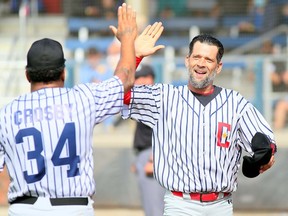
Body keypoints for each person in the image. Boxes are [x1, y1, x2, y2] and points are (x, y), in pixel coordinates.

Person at [0, 3, 164, 216]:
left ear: (27, 75)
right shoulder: (83, 99)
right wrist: (129, 44)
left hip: (25, 208)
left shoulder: (6, 114)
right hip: (74, 207)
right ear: (64, 73)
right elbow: (124, 79)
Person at [122, 34, 277, 215]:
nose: (201, 63)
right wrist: (135, 56)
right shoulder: (163, 97)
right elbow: (119, 95)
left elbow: (264, 141)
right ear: (187, 60)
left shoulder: (236, 103)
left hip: (221, 205)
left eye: (208, 59)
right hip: (180, 204)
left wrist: (266, 156)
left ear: (218, 67)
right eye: (196, 57)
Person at [131, 64, 165, 216]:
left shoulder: (156, 100)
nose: (137, 81)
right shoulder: (146, 99)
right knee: (151, 207)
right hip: (145, 154)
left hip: (154, 156)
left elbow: (165, 130)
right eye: (136, 78)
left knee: (155, 209)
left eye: (141, 78)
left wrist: (153, 160)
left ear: (150, 78)